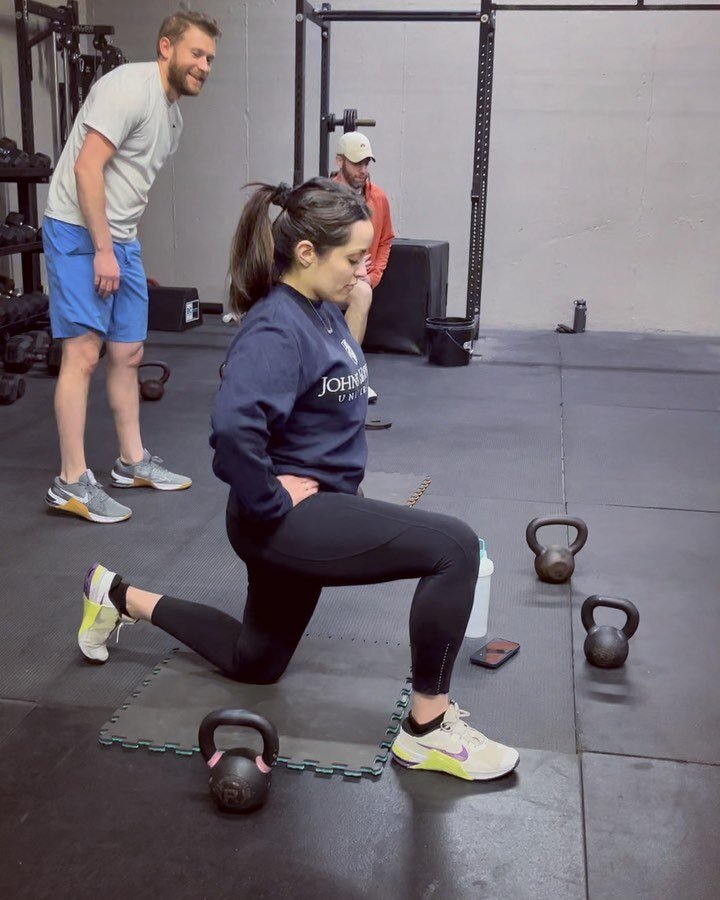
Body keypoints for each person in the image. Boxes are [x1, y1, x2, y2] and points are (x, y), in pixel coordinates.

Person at [78, 177, 519, 782]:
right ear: (306, 253)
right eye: (353, 259)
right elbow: (234, 431)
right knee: (455, 548)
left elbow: (336, 375)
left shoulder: (321, 311)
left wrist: (357, 305)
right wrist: (268, 499)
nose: (363, 270)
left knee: (254, 662)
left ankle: (116, 596)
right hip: (287, 519)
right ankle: (428, 730)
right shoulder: (274, 328)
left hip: (302, 512)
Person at [42, 10, 221, 524]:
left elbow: (129, 187)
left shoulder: (172, 118)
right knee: (83, 354)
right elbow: (86, 166)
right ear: (166, 47)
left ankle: (131, 461)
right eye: (195, 53)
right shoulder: (127, 87)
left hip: (118, 239)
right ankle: (71, 482)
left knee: (128, 351)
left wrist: (123, 248)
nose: (203, 65)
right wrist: (102, 248)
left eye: (209, 58)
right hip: (78, 231)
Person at [332, 132, 394, 404]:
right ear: (339, 161)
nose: (363, 170)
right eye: (357, 163)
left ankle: (351, 375)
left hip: (357, 279)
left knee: (363, 293)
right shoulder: (324, 195)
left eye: (367, 163)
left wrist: (373, 275)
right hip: (324, 277)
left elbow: (385, 240)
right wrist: (349, 265)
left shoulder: (378, 198)